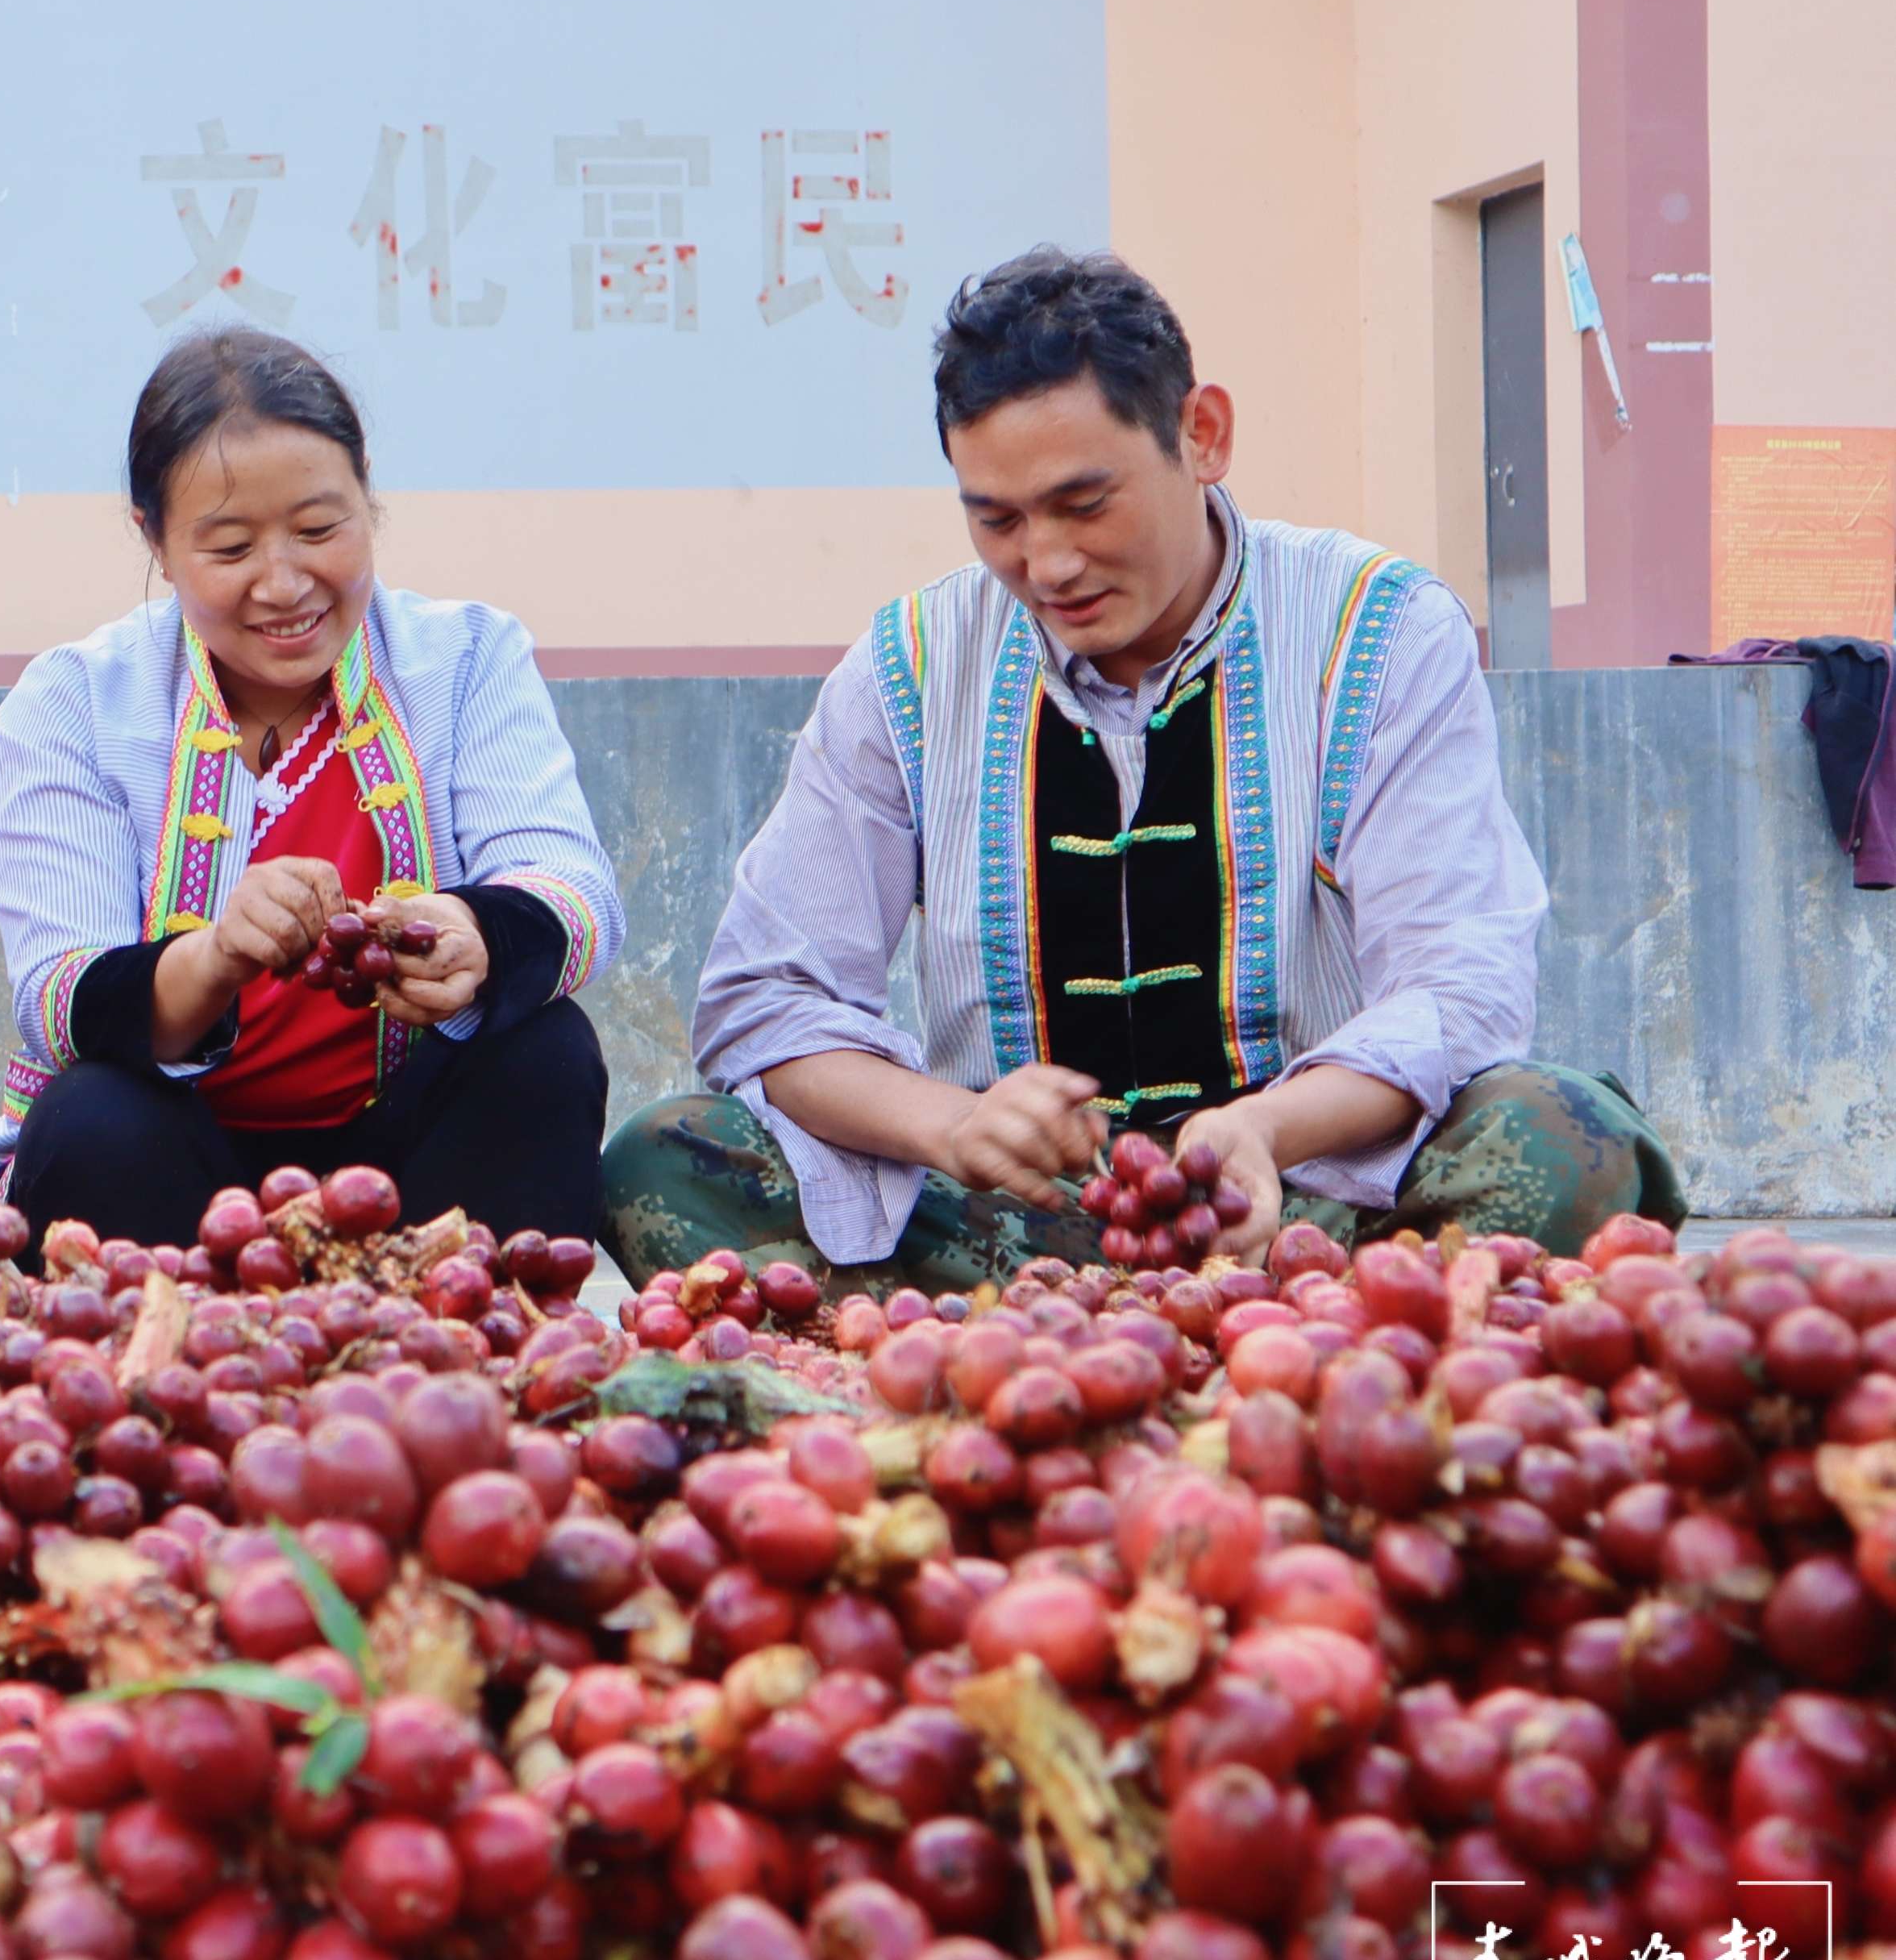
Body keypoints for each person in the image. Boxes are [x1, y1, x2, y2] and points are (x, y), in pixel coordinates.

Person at [605, 248, 1681, 1290]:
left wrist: (1262, 1130)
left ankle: (1169, 1329)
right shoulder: (906, 667)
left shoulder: (1378, 629)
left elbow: (1457, 984)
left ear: (1200, 434)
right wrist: (957, 1125)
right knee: (668, 1157)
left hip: (1309, 1202)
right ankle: (1305, 1339)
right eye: (997, 519)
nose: (1047, 564)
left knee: (1563, 1139)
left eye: (1084, 504)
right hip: (1002, 1228)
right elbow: (768, 997)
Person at [0, 327, 622, 1249]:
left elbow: (575, 891)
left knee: (545, 1052)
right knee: (92, 1117)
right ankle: (160, 1336)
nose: (284, 584)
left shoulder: (466, 657)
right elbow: (59, 1000)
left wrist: (472, 932)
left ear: (369, 496)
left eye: (320, 530)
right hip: (176, 1157)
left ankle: (472, 1333)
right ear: (155, 541)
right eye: (230, 547)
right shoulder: (75, 701)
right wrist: (216, 955)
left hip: (409, 1151)